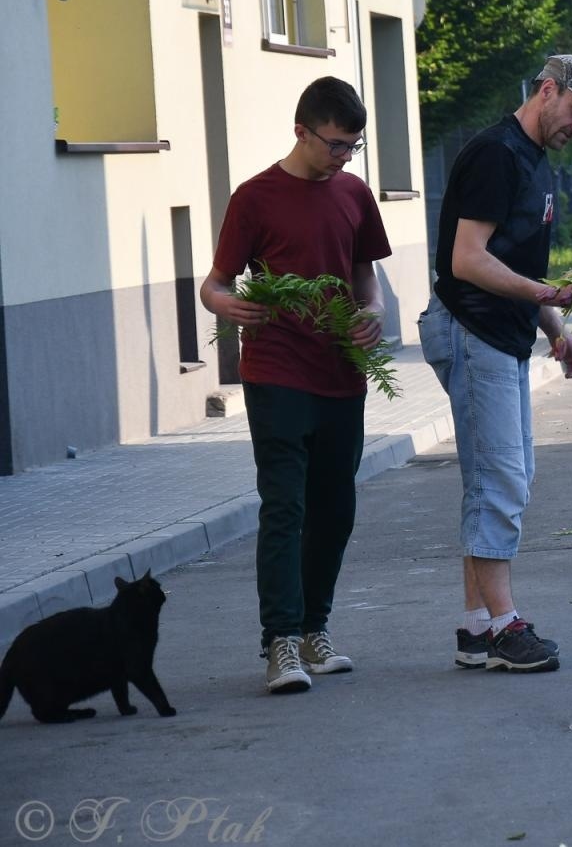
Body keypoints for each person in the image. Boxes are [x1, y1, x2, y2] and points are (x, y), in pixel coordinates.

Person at [200, 76, 392, 694]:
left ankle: (315, 629)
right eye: (335, 145)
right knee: (286, 506)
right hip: (276, 371)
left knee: (335, 509)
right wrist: (227, 305)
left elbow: (365, 278)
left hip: (342, 372)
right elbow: (215, 283)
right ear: (301, 132)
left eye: (353, 147)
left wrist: (374, 312)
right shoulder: (254, 198)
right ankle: (280, 641)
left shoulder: (355, 194)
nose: (344, 157)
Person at [419, 54, 572, 675]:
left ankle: (476, 626)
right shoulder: (497, 154)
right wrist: (549, 296)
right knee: (501, 480)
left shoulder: (534, 160)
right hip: (471, 328)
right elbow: (467, 259)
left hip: (499, 334)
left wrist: (555, 330)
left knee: (499, 475)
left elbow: (517, 266)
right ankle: (504, 626)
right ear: (547, 90)